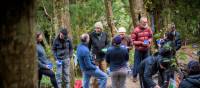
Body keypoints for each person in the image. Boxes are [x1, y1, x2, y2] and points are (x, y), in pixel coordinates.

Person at [131, 17, 153, 82]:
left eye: (146, 22)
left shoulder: (148, 29)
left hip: (146, 49)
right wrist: (141, 43)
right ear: (140, 22)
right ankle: (135, 76)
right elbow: (132, 41)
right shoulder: (136, 30)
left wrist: (149, 41)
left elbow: (151, 36)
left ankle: (146, 76)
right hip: (138, 50)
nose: (145, 23)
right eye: (144, 22)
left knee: (147, 63)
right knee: (137, 63)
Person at [88, 21, 109, 88]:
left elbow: (108, 44)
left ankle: (103, 86)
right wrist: (88, 54)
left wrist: (105, 49)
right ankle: (95, 86)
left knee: (104, 73)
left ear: (101, 29)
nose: (97, 29)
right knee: (95, 73)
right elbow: (88, 45)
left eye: (98, 28)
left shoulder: (105, 34)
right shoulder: (91, 35)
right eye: (96, 28)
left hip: (103, 56)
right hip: (95, 57)